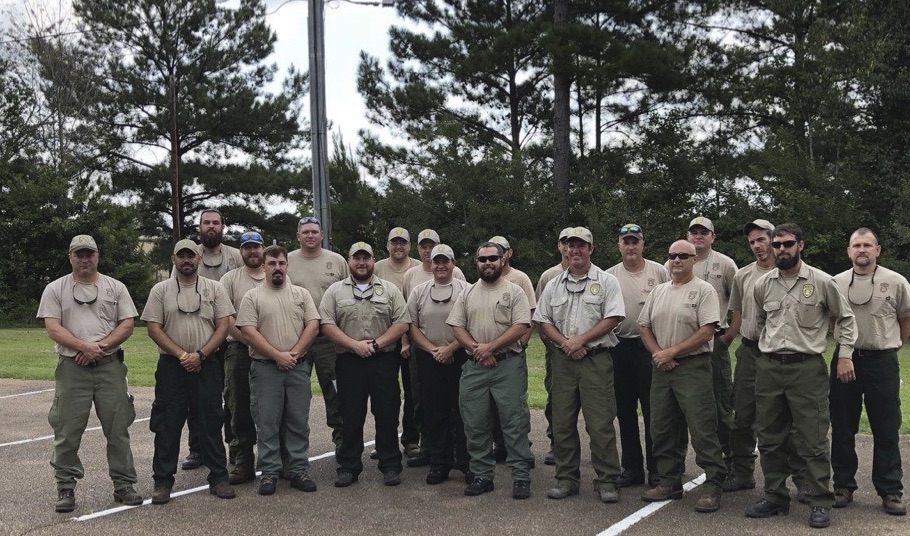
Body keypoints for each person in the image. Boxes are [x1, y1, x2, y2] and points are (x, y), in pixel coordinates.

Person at [745, 223, 856, 529]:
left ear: (801, 245)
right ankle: (775, 497)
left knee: (813, 439)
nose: (782, 249)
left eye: (788, 244)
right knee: (768, 438)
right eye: (777, 244)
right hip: (768, 367)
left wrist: (844, 354)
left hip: (806, 368)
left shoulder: (822, 282)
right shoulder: (763, 284)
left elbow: (845, 319)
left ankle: (820, 500)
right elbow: (760, 323)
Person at [37, 235, 142, 513]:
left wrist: (100, 347)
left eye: (90, 254)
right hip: (73, 369)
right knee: (67, 431)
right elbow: (53, 327)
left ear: (98, 256)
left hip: (110, 367)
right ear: (70, 257)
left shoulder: (115, 287)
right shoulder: (56, 288)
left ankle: (124, 484)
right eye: (79, 254)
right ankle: (65, 487)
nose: (85, 259)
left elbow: (127, 324)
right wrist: (84, 347)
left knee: (118, 429)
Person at [142, 239, 236, 505]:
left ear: (198, 259)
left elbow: (224, 325)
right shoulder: (160, 290)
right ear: (173, 259)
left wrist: (201, 354)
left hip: (207, 364)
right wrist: (182, 355)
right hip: (173, 367)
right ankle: (162, 482)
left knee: (210, 420)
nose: (187, 260)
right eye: (181, 256)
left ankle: (218, 477)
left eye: (191, 256)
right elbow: (153, 328)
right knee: (167, 424)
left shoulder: (215, 289)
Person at [535, 227, 625, 503]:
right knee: (562, 423)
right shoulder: (553, 284)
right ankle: (566, 479)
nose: (575, 250)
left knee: (600, 424)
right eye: (570, 246)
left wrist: (581, 341)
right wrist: (566, 343)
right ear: (564, 249)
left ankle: (607, 480)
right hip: (563, 362)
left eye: (581, 246)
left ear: (591, 249)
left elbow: (614, 317)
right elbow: (543, 320)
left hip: (596, 360)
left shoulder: (607, 281)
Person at [639, 240, 725, 513]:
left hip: (692, 367)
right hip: (662, 369)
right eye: (672, 256)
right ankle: (669, 481)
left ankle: (712, 485)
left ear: (694, 260)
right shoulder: (659, 291)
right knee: (662, 427)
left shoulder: (704, 290)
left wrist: (671, 352)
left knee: (702, 427)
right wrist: (658, 355)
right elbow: (644, 326)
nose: (676, 260)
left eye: (683, 256)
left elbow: (707, 330)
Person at [319, 242, 411, 487]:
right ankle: (348, 466)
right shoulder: (335, 291)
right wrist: (354, 345)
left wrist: (377, 344)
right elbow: (327, 324)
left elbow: (402, 323)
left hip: (383, 360)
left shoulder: (389, 290)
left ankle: (390, 465)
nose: (362, 263)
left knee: (387, 413)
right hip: (349, 361)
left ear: (373, 261)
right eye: (357, 258)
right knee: (350, 415)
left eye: (366, 258)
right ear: (349, 262)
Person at [830, 228, 908, 516]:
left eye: (867, 245)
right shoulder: (836, 282)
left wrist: (886, 348)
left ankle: (890, 490)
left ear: (878, 250)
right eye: (856, 245)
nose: (862, 250)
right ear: (849, 251)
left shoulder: (896, 282)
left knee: (886, 426)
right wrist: (845, 351)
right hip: (845, 359)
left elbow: (905, 319)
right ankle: (843, 485)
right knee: (842, 425)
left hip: (882, 360)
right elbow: (832, 320)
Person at [447, 242, 534, 500]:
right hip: (475, 367)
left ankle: (520, 476)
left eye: (493, 258)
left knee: (513, 422)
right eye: (482, 259)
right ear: (476, 263)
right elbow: (456, 326)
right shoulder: (468, 293)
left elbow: (521, 325)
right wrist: (477, 349)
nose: (488, 263)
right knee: (475, 423)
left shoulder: (514, 291)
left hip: (507, 365)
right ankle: (483, 475)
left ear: (502, 259)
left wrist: (491, 347)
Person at [236, 246, 321, 496]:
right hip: (265, 369)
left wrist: (293, 354)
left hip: (297, 367)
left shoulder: (301, 294)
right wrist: (277, 355)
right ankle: (270, 472)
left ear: (287, 266)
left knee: (297, 421)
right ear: (263, 267)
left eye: (282, 263)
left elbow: (313, 325)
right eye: (272, 263)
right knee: (267, 422)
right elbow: (248, 332)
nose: (277, 268)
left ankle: (298, 470)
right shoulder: (252, 297)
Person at [606, 224, 669, 488]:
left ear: (643, 244)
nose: (631, 246)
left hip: (649, 348)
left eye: (635, 241)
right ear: (619, 245)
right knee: (625, 410)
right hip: (618, 347)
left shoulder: (659, 271)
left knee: (654, 410)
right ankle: (632, 468)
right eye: (626, 242)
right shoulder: (609, 275)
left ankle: (657, 469)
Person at [180, 208, 242, 471]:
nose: (211, 227)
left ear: (223, 227)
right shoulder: (189, 254)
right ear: (199, 227)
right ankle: (198, 448)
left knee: (230, 397)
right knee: (199, 399)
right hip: (199, 340)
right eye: (207, 223)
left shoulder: (235, 256)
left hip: (229, 337)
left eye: (216, 223)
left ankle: (232, 448)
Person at [406, 244, 471, 484]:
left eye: (446, 261)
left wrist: (451, 348)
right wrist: (433, 349)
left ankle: (465, 462)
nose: (441, 266)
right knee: (434, 411)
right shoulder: (419, 291)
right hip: (428, 357)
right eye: (437, 261)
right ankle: (439, 462)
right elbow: (411, 325)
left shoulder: (467, 289)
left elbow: (470, 324)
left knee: (463, 411)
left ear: (454, 263)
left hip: (459, 356)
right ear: (430, 264)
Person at [287, 216, 346, 453]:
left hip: (328, 339)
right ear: (298, 236)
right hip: (295, 338)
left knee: (335, 392)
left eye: (315, 232)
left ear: (322, 235)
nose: (310, 236)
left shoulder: (337, 261)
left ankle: (343, 446)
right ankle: (291, 453)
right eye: (306, 232)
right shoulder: (287, 261)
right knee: (294, 396)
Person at [685, 216, 737, 472]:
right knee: (689, 405)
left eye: (704, 232)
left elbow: (739, 306)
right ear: (687, 236)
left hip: (715, 341)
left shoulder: (725, 265)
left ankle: (729, 460)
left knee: (720, 404)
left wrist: (727, 339)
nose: (698, 236)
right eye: (694, 232)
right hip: (683, 346)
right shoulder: (676, 261)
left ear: (712, 237)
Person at [218, 231, 266, 485]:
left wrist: (266, 346)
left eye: (256, 247)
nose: (252, 252)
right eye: (246, 248)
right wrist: (251, 340)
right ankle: (242, 461)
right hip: (239, 349)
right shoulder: (229, 280)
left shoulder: (274, 276)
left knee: (272, 407)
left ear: (263, 249)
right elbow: (226, 318)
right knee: (238, 405)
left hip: (270, 351)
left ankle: (274, 460)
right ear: (241, 252)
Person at [374, 227, 423, 464]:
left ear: (409, 246)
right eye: (394, 242)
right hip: (383, 340)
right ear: (387, 245)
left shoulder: (417, 268)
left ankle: (411, 439)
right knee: (386, 394)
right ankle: (386, 441)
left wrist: (407, 339)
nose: (398, 247)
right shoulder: (377, 268)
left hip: (410, 339)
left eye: (403, 243)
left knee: (413, 391)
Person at [488, 235, 537, 464]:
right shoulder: (486, 277)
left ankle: (521, 448)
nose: (496, 256)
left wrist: (523, 343)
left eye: (501, 250)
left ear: (508, 253)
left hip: (514, 350)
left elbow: (531, 313)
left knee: (515, 403)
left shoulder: (520, 278)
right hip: (490, 353)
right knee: (494, 402)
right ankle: (500, 445)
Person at [535, 227, 573, 466]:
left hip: (589, 350)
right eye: (564, 242)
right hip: (556, 351)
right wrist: (554, 344)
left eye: (574, 243)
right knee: (557, 398)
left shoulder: (599, 276)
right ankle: (556, 443)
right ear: (559, 246)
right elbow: (541, 317)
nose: (569, 247)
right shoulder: (549, 276)